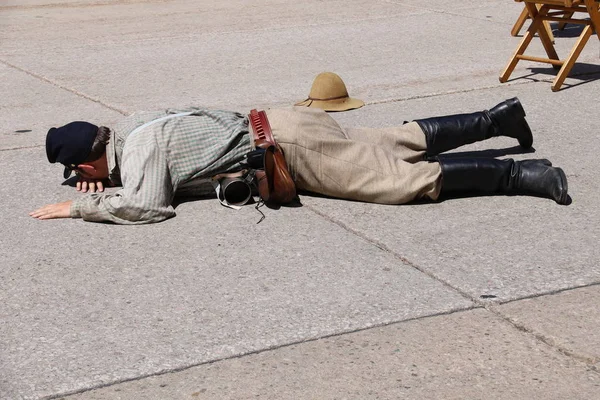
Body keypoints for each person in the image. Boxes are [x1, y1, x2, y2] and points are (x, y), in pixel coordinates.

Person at [30, 97, 569, 225]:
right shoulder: (142, 127)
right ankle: (498, 120)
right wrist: (106, 188)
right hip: (281, 120)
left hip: (284, 150)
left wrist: (81, 209)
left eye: (78, 171)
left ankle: (522, 175)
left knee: (396, 183)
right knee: (396, 140)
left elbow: (151, 207)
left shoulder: (142, 154)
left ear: (92, 159)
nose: (80, 180)